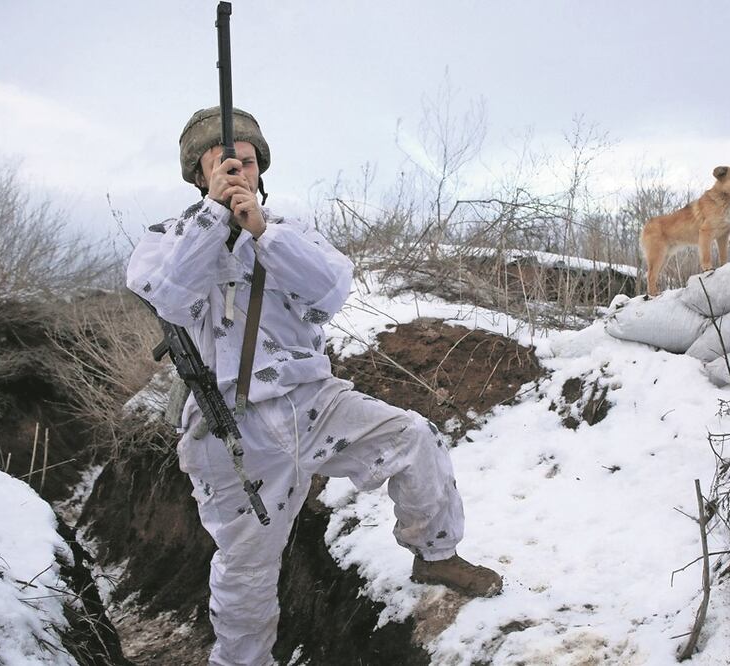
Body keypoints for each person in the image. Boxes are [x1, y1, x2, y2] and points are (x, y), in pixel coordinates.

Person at [126, 107, 501, 665]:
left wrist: (261, 235)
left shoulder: (290, 233)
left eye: (247, 162)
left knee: (414, 438)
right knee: (246, 564)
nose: (236, 173)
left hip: (311, 402)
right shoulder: (170, 239)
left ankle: (435, 553)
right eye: (222, 165)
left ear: (261, 168)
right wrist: (213, 220)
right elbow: (171, 297)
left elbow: (330, 291)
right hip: (229, 425)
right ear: (198, 174)